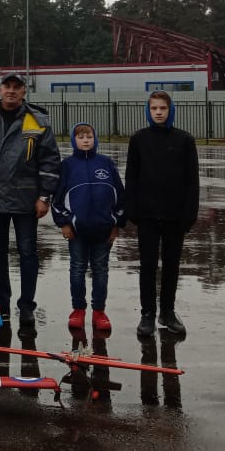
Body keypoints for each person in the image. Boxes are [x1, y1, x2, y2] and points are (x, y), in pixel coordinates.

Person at [0, 72, 60, 330]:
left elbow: (50, 162)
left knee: (28, 253)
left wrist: (44, 196)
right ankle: (1, 303)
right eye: (6, 86)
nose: (11, 90)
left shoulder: (38, 122)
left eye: (16, 87)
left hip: (26, 201)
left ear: (24, 92)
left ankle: (27, 306)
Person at [124, 90, 199, 337]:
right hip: (147, 215)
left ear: (170, 110)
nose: (158, 112)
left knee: (171, 265)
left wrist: (189, 213)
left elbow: (192, 181)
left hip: (175, 215)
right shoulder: (139, 139)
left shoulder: (185, 140)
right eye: (154, 108)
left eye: (163, 108)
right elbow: (132, 176)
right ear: (148, 111)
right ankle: (147, 313)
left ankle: (167, 312)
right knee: (147, 265)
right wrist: (132, 209)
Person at [51, 122, 126, 332]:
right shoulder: (67, 166)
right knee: (77, 269)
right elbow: (57, 200)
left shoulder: (106, 163)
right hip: (77, 232)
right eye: (81, 137)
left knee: (101, 270)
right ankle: (78, 310)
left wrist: (117, 223)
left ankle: (99, 311)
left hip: (104, 230)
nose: (85, 140)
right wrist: (65, 223)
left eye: (89, 136)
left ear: (95, 139)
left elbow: (121, 196)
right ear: (74, 140)